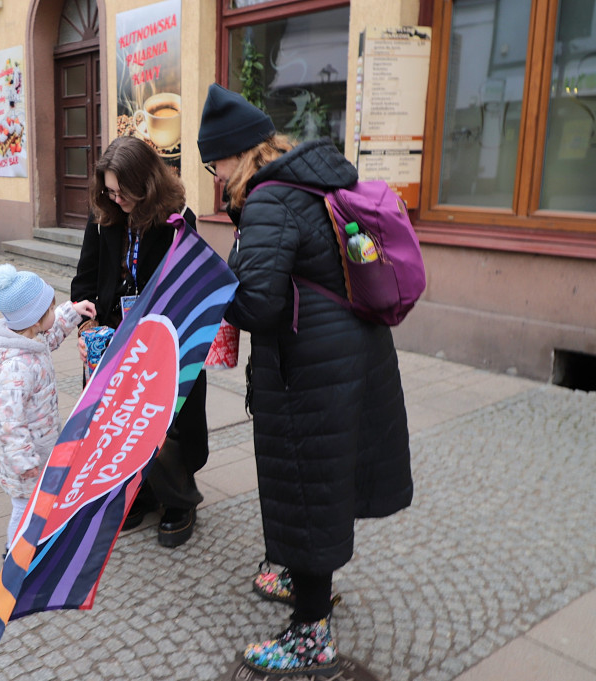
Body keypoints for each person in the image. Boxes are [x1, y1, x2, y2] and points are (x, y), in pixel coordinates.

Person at [197, 83, 414, 677]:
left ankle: (309, 634)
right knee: (324, 479)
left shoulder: (269, 200)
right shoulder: (318, 180)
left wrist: (214, 291)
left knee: (303, 486)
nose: (213, 173)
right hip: (352, 355)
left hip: (308, 370)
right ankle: (300, 579)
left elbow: (260, 304)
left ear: (238, 153)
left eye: (213, 160)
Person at [70, 135, 209, 549]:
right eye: (109, 191)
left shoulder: (177, 219)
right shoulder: (104, 215)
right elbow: (85, 279)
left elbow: (189, 289)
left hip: (162, 337)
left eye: (123, 192)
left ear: (146, 184)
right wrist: (85, 327)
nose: (116, 199)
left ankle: (180, 501)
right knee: (114, 424)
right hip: (112, 336)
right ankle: (137, 493)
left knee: (162, 424)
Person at [0, 264, 96, 556]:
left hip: (38, 447)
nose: (55, 312)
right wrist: (25, 463)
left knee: (38, 503)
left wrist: (73, 310)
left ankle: (35, 544)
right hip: (24, 459)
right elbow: (8, 423)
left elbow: (52, 334)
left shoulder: (29, 339)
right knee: (24, 506)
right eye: (51, 308)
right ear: (35, 318)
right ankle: (15, 555)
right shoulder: (16, 367)